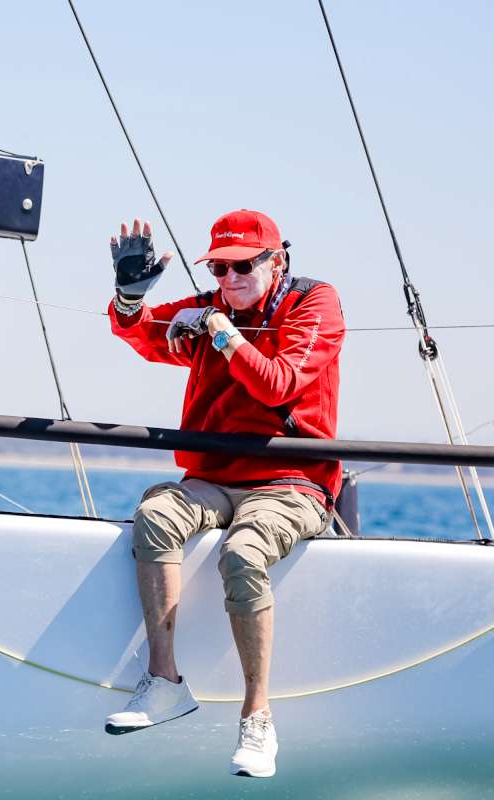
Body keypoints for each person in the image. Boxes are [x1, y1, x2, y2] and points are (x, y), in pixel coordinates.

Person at [102, 210, 345, 778]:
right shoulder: (213, 308)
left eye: (242, 266)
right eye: (218, 268)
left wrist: (221, 331)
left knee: (243, 553)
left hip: (292, 481)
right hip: (213, 477)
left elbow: (280, 382)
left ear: (276, 261)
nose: (229, 279)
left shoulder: (315, 303)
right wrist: (130, 299)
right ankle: (164, 684)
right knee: (156, 514)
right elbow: (141, 335)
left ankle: (257, 716)